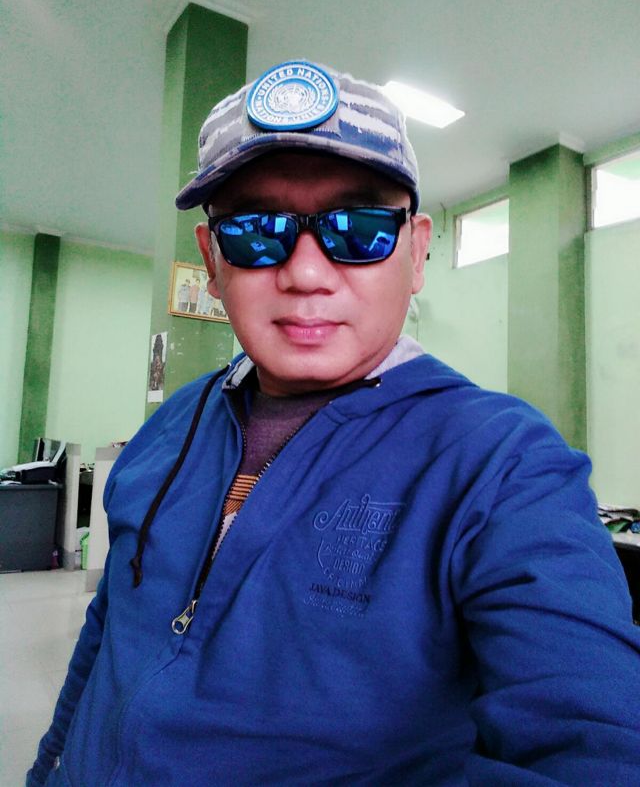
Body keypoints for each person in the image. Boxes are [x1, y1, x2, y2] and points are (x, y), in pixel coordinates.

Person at [28, 60, 640, 786]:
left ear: (416, 252)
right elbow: (108, 638)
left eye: (358, 229)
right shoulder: (170, 428)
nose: (306, 273)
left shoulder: (502, 464)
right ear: (213, 260)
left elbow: (592, 735)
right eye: (257, 232)